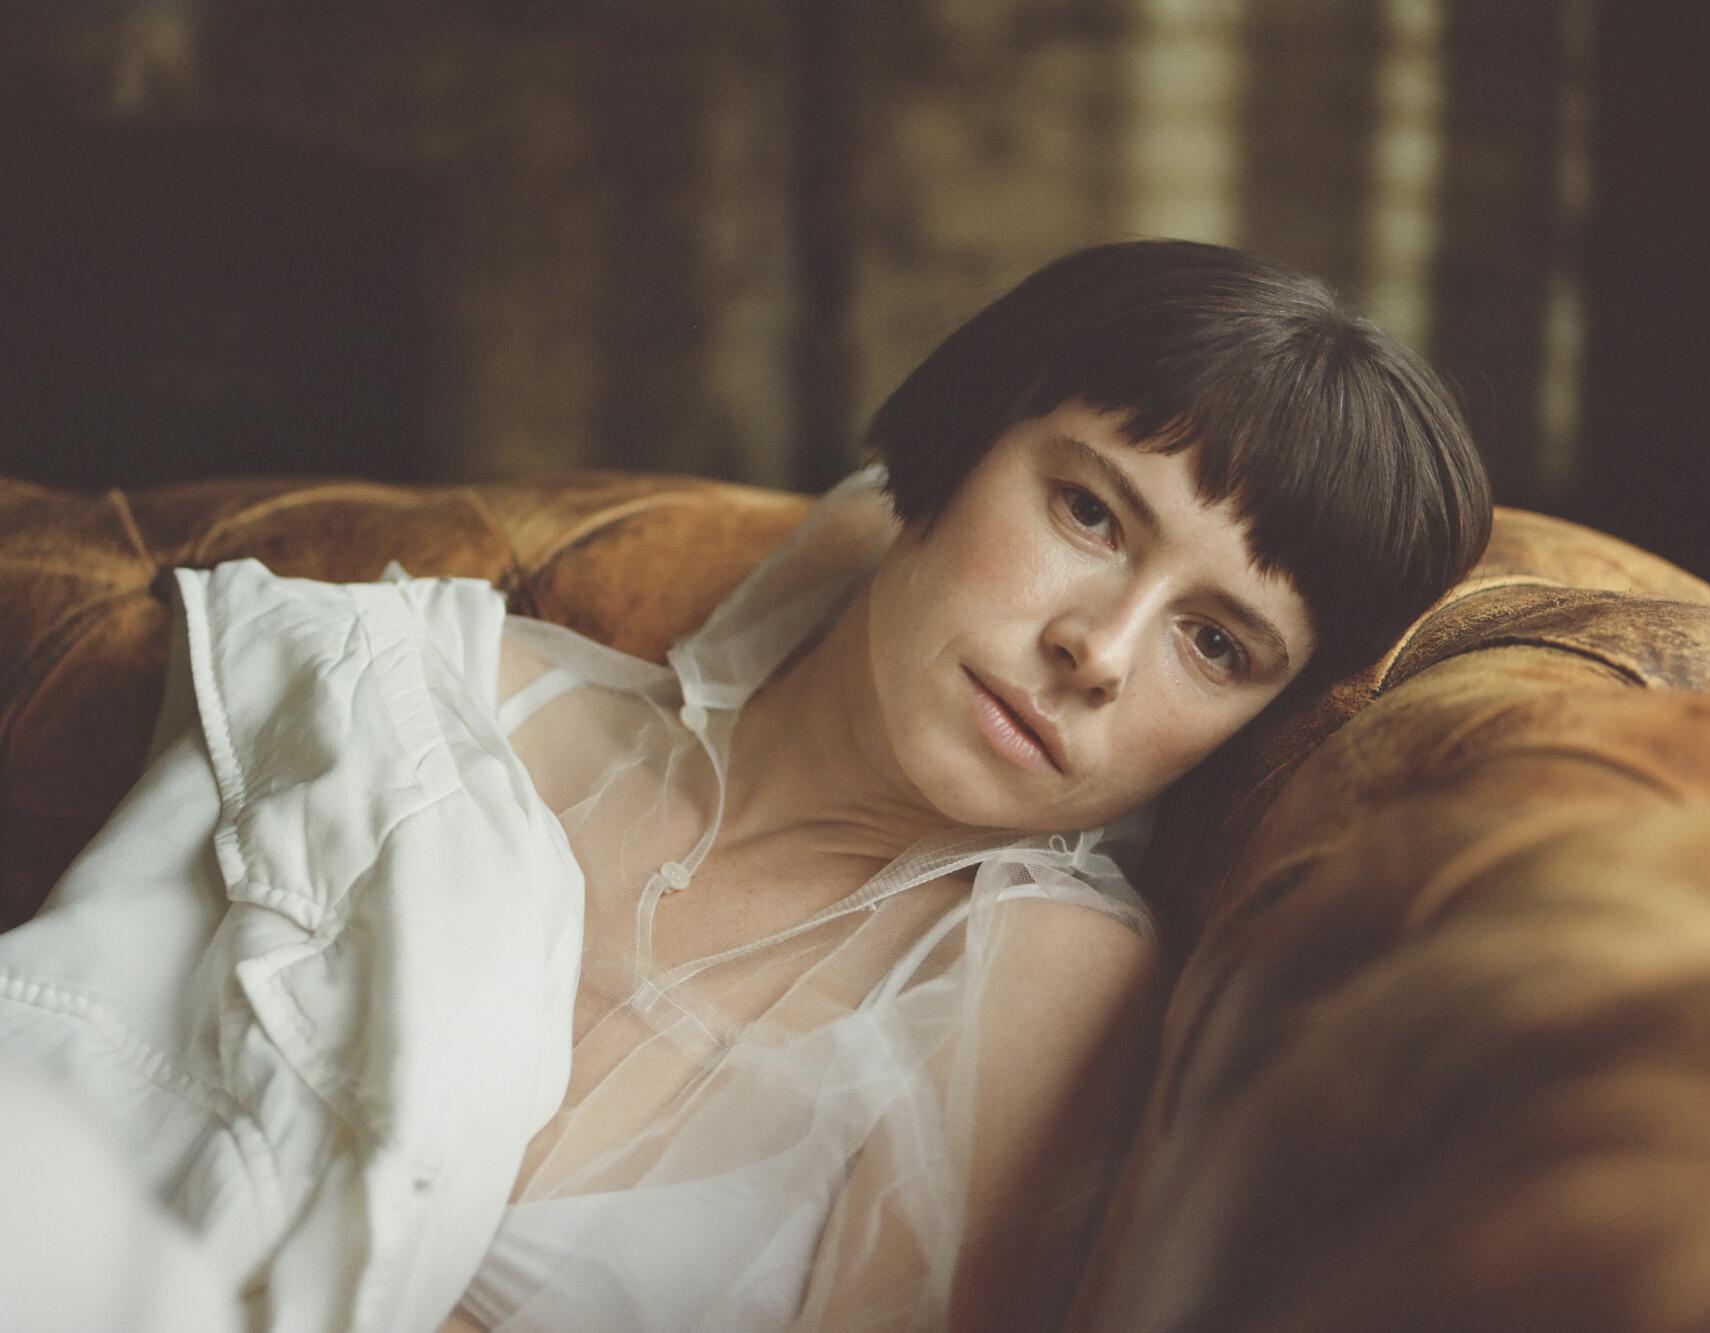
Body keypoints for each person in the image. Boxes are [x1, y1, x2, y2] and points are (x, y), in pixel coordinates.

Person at [0, 239, 1489, 1333]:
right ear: (966, 443)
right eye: (1092, 510)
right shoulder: (416, 697)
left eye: (1216, 642)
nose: (1094, 650)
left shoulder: (1038, 972)